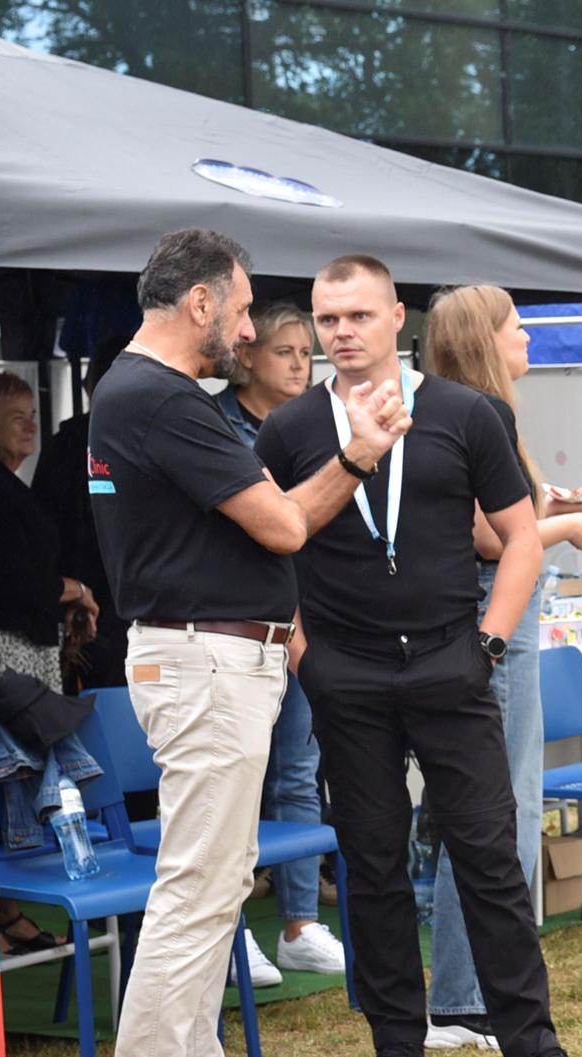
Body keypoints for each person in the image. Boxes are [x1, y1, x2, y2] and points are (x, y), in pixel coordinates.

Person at [92, 228, 407, 1057]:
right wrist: (359, 454)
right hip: (205, 663)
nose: (245, 329)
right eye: (236, 310)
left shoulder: (144, 394)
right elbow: (281, 523)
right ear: (198, 302)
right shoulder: (158, 396)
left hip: (208, 660)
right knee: (198, 886)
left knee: (218, 879)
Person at [253, 254, 582, 1057]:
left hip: (451, 659)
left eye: (358, 316)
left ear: (396, 317)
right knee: (372, 864)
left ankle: (533, 1048)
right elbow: (266, 551)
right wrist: (307, 658)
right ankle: (396, 1045)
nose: (341, 334)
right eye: (328, 320)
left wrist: (489, 641)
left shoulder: (463, 413)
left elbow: (519, 537)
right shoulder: (291, 428)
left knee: (489, 855)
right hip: (348, 673)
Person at [420, 282, 582, 1052]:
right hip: (497, 619)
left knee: (493, 810)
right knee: (504, 812)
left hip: (489, 617)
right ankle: (467, 1000)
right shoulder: (482, 412)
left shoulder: (459, 411)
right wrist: (571, 525)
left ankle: (469, 995)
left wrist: (546, 504)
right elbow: (492, 539)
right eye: (517, 326)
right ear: (484, 340)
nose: (529, 337)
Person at [213, 299, 346, 986]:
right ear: (245, 356)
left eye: (305, 353)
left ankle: (300, 924)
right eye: (284, 351)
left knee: (298, 770)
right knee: (232, 782)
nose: (300, 364)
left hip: (307, 620)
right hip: (237, 625)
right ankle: (231, 932)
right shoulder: (215, 422)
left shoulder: (313, 422)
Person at [0, 370, 98, 959]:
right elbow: (6, 577)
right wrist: (73, 589)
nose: (30, 425)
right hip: (0, 655)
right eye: (16, 416)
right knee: (8, 779)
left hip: (27, 649)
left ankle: (8, 913)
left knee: (19, 776)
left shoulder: (5, 482)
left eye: (32, 413)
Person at [30, 336, 131, 693]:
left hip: (95, 601)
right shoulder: (72, 444)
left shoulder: (66, 443)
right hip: (96, 606)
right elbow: (44, 531)